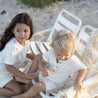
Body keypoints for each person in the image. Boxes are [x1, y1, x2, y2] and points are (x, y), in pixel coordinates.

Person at [12, 30, 87, 98]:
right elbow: (42, 61)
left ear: (71, 49)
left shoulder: (73, 60)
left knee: (38, 86)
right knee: (38, 57)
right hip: (45, 74)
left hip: (55, 82)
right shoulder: (51, 52)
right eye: (58, 55)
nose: (62, 57)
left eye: (66, 55)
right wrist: (42, 68)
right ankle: (27, 77)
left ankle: (23, 96)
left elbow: (83, 68)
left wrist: (78, 80)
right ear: (53, 48)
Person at [0, 13, 37, 97]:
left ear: (30, 31)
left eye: (25, 31)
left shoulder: (25, 42)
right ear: (13, 30)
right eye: (18, 30)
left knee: (38, 57)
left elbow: (27, 53)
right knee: (17, 91)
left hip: (10, 72)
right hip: (2, 72)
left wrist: (38, 58)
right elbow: (8, 66)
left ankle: (23, 78)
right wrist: (24, 75)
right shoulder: (12, 46)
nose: (22, 34)